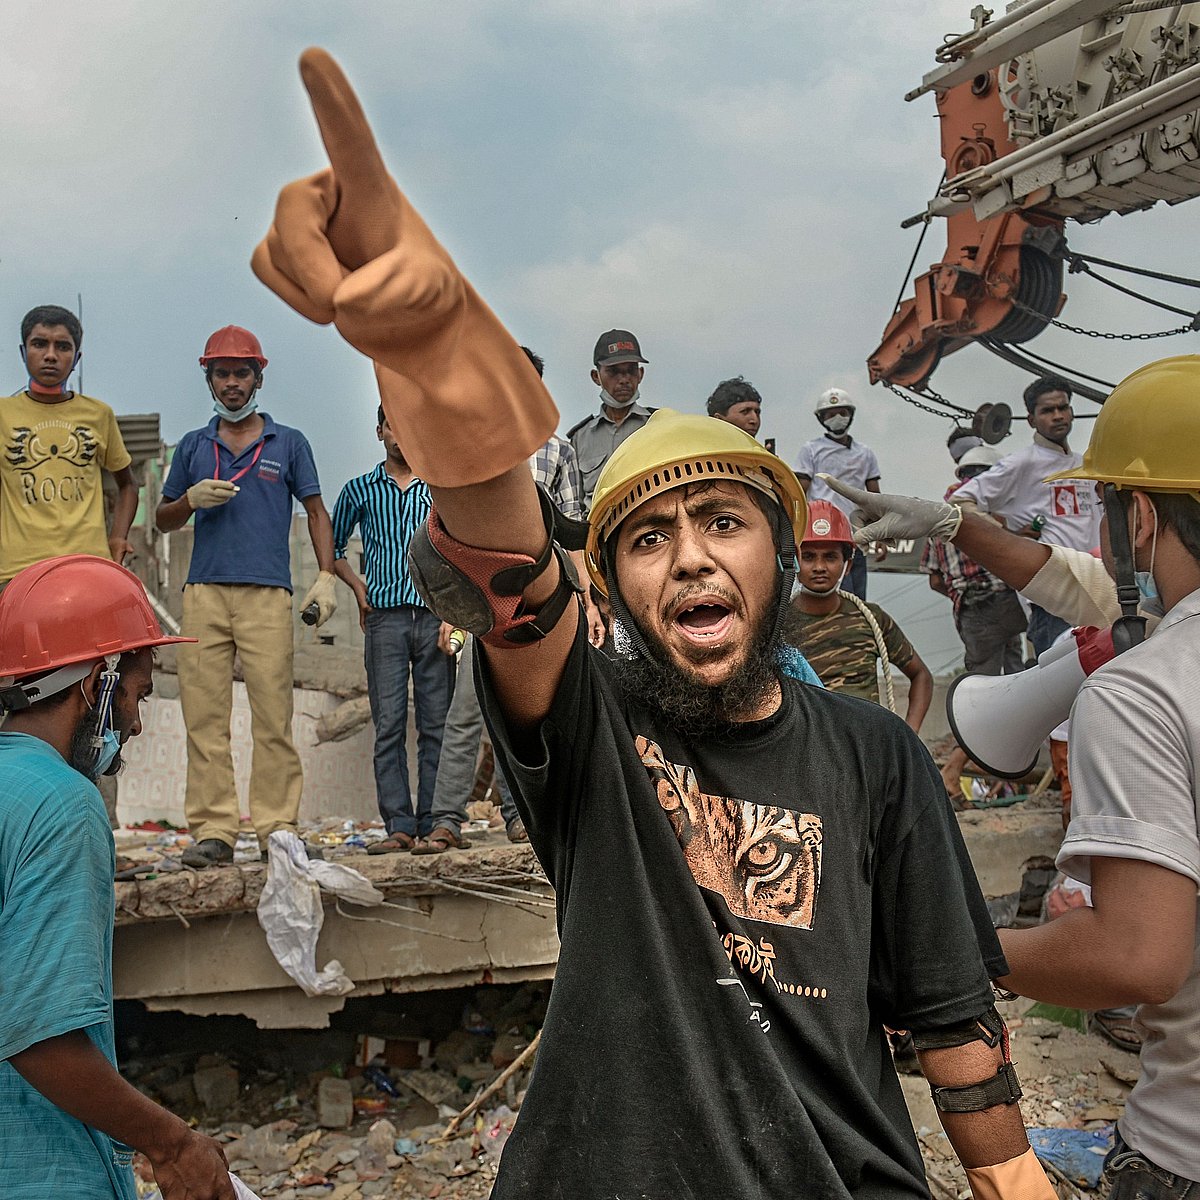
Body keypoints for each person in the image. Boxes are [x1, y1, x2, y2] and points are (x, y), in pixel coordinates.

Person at [251, 51, 1057, 1199]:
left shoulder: (875, 760)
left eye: (725, 521)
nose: (688, 555)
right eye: (644, 539)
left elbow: (955, 1031)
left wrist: (1014, 1177)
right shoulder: (594, 731)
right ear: (614, 587)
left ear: (778, 554)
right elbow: (510, 586)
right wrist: (449, 372)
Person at [824, 354, 1200, 1198]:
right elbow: (1079, 584)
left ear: (1137, 514)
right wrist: (955, 526)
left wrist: (946, 961)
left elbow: (1138, 959)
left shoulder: (1147, 689)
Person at [0, 554, 235, 1200]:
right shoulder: (64, 806)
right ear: (93, 685)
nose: (133, 723)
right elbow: (39, 1036)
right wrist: (172, 1143)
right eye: (136, 695)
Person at [156, 326, 337, 868]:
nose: (231, 384)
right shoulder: (193, 445)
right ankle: (214, 831)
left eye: (241, 373)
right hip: (204, 592)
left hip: (266, 594)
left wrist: (326, 575)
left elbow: (317, 511)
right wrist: (188, 499)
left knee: (272, 716)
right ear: (208, 378)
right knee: (204, 717)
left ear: (259, 377)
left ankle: (277, 827)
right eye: (221, 374)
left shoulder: (289, 443)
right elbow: (164, 519)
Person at [416, 346, 601, 855]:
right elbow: (444, 538)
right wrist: (449, 616)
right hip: (480, 606)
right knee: (465, 715)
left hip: (543, 603)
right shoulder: (465, 454)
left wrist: (584, 599)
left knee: (530, 713)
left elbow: (570, 530)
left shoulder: (558, 451)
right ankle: (446, 820)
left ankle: (522, 815)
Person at [331, 406, 455, 852]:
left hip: (434, 616)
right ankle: (399, 825)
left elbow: (459, 550)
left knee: (436, 723)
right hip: (384, 618)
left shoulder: (441, 490)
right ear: (380, 430)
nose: (401, 435)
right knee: (388, 724)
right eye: (392, 425)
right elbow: (333, 547)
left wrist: (453, 610)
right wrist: (359, 589)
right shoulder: (359, 490)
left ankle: (437, 821)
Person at [953, 376, 1100, 657]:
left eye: (1063, 408)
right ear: (1031, 419)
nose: (1058, 416)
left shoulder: (1085, 465)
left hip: (1095, 589)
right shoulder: (1022, 463)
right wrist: (1008, 540)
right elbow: (961, 501)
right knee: (1060, 691)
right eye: (1047, 411)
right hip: (1053, 597)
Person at [1, 305, 139, 586]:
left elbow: (128, 484)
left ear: (76, 358)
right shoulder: (3, 415)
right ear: (23, 352)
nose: (50, 355)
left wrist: (118, 537)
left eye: (62, 347)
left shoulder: (98, 414)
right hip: (17, 573)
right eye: (39, 344)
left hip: (87, 568)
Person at [921, 445, 1027, 797]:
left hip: (973, 609)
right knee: (1009, 692)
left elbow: (935, 578)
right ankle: (964, 770)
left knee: (989, 691)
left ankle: (1001, 776)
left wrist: (959, 594)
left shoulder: (940, 513)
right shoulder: (986, 511)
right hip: (1002, 601)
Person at [785, 500, 933, 733]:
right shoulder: (776, 624)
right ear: (793, 561)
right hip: (806, 749)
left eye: (831, 557)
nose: (820, 567)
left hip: (869, 748)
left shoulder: (871, 619)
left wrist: (908, 738)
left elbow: (921, 676)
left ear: (848, 564)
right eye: (809, 556)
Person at [793, 386, 885, 599]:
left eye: (842, 413)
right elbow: (798, 492)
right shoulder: (811, 449)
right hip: (823, 534)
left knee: (856, 600)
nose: (837, 418)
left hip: (856, 535)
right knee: (830, 595)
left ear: (850, 416)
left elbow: (875, 498)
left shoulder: (865, 453)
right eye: (831, 414)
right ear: (822, 419)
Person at [567, 328, 653, 509]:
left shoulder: (657, 425)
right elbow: (574, 502)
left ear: (641, 374)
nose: (623, 379)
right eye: (613, 372)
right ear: (596, 377)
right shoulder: (580, 438)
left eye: (630, 370)